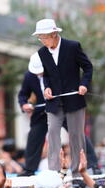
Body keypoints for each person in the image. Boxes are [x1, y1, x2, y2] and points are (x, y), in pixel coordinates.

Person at [18, 52, 100, 176]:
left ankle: (93, 165)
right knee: (34, 137)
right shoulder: (30, 76)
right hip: (42, 112)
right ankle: (29, 169)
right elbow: (23, 94)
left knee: (77, 135)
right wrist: (24, 104)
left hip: (64, 108)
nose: (39, 74)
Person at [32, 19, 93, 178]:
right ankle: (53, 173)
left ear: (54, 34)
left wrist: (84, 84)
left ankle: (79, 172)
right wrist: (47, 88)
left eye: (44, 37)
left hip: (74, 99)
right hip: (54, 102)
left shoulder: (73, 46)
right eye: (40, 38)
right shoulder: (42, 53)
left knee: (76, 136)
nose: (42, 41)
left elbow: (87, 67)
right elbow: (46, 76)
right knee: (52, 132)